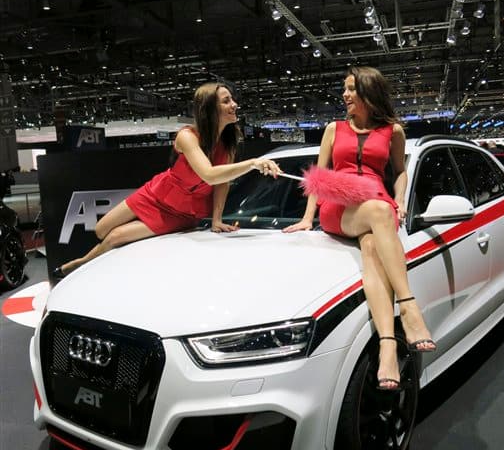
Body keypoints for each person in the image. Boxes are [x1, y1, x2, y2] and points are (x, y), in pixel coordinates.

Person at [283, 66, 436, 391]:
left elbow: (399, 171)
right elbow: (317, 176)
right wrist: (308, 218)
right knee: (381, 214)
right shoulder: (333, 129)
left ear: (368, 92)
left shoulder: (393, 131)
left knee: (372, 247)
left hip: (377, 205)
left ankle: (387, 345)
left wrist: (401, 199)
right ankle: (408, 307)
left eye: (351, 89)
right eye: (345, 89)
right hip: (339, 208)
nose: (345, 95)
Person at [53, 82, 281, 278]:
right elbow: (210, 174)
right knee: (101, 229)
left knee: (116, 236)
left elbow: (221, 182)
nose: (234, 105)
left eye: (232, 100)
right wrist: (252, 163)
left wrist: (216, 220)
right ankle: (84, 261)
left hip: (183, 211)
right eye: (226, 101)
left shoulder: (228, 143)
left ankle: (81, 264)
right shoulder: (187, 136)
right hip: (157, 193)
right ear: (210, 108)